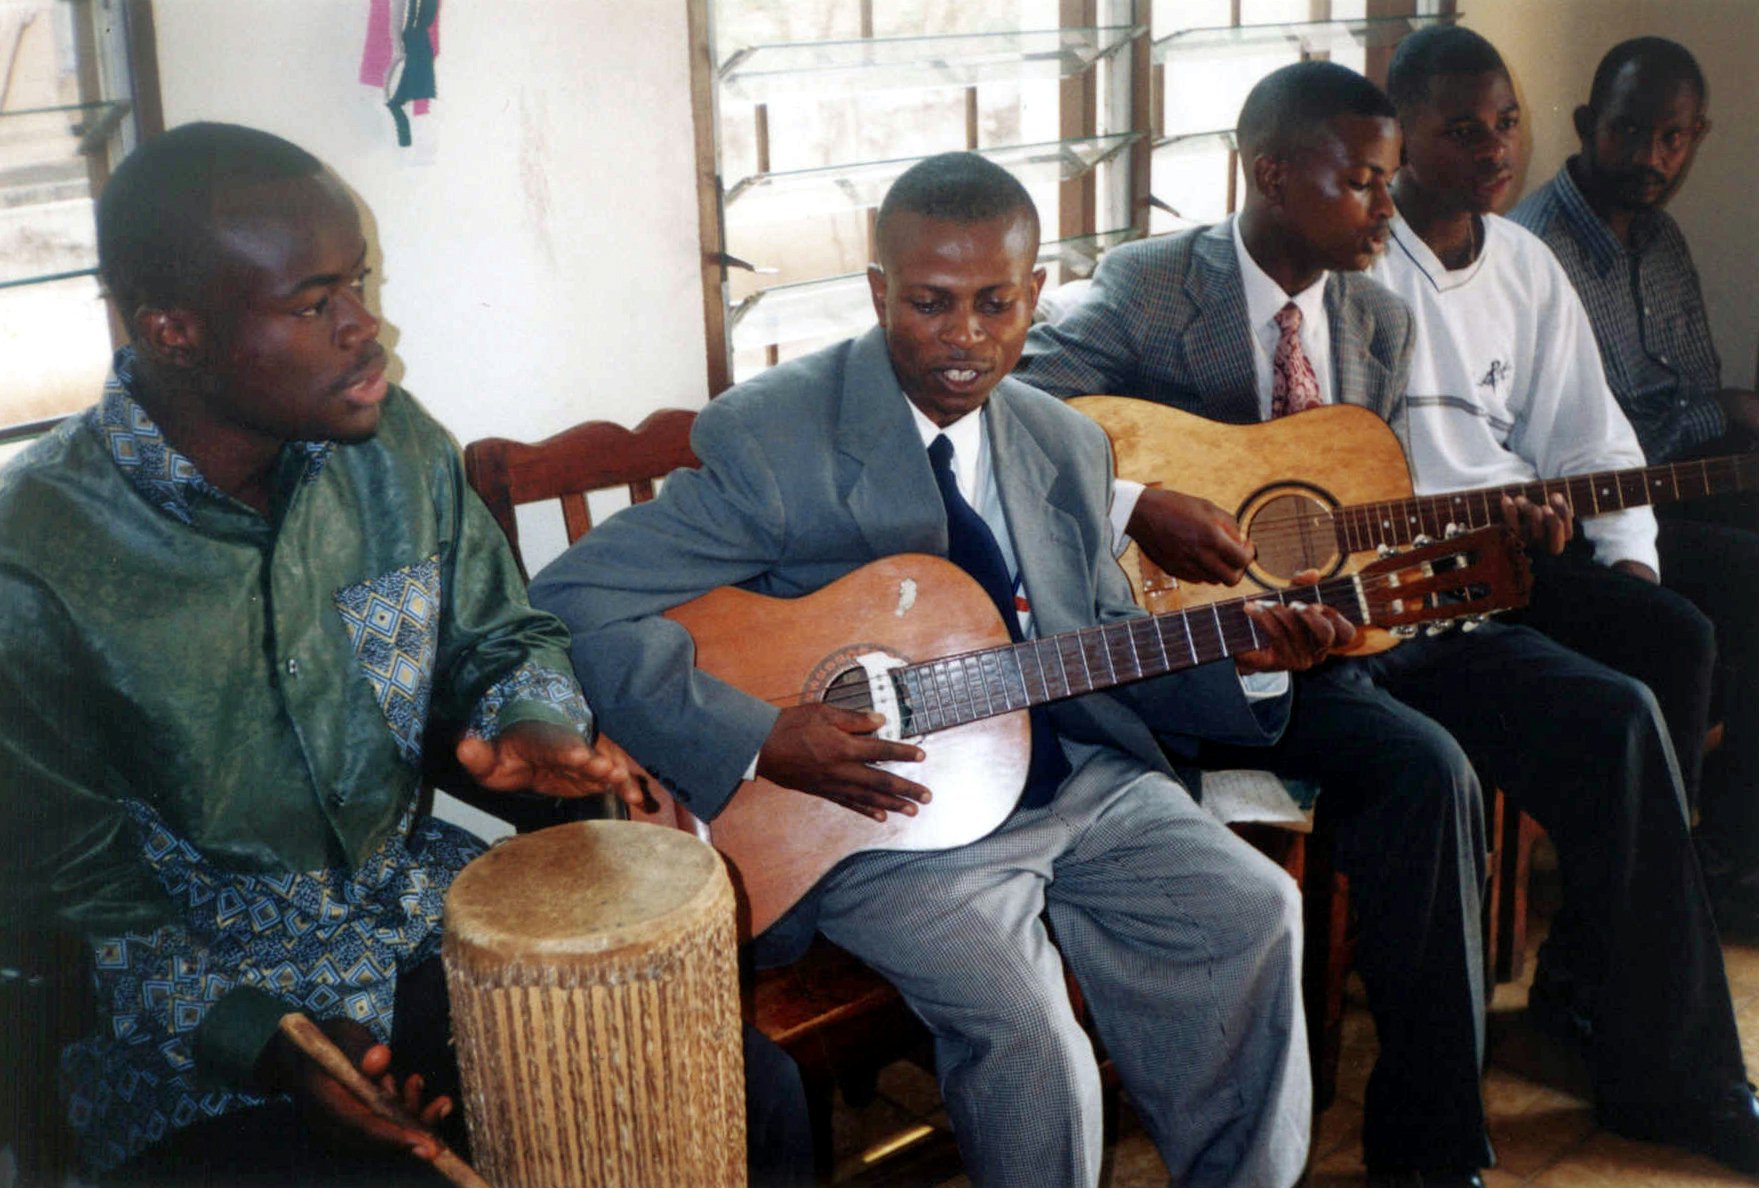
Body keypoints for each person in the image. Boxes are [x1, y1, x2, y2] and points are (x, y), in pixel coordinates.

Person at [0, 123, 808, 1187]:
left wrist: (531, 720)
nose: (365, 329)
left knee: (750, 1098)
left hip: (419, 931)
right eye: (314, 303)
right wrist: (268, 1045)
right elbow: (65, 898)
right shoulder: (38, 556)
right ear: (173, 330)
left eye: (360, 284)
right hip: (194, 1016)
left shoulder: (391, 448)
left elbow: (496, 637)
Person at [530, 152, 1350, 1188]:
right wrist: (756, 732)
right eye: (929, 303)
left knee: (1254, 912)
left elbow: (1104, 644)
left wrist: (1252, 656)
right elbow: (569, 600)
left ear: (1034, 296)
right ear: (878, 293)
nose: (965, 336)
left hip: (1077, 782)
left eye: (994, 303)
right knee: (1031, 1029)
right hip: (889, 822)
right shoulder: (781, 440)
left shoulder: (1064, 444)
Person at [1018, 59, 1759, 1183]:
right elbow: (1018, 411)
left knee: (1615, 718)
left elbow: (1353, 494)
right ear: (1270, 173)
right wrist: (1140, 503)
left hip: (1374, 622)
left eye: (1386, 178)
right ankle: (1432, 1149)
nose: (1385, 202)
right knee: (1424, 772)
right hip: (1212, 657)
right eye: (1364, 180)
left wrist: (1501, 537)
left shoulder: (1372, 314)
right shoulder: (1153, 285)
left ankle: (1675, 1079)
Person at [1512, 36, 1759, 933]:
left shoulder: (1660, 236)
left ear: (1697, 137)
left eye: (1673, 138)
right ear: (1586, 125)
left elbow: (1690, 391)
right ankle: (1712, 858)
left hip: (1678, 479)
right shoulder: (1537, 248)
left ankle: (1737, 846)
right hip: (1595, 515)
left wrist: (1732, 413)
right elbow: (1588, 441)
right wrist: (1720, 420)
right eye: (1629, 132)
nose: (1651, 158)